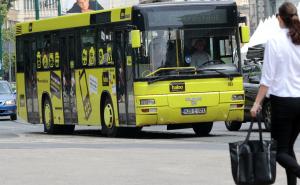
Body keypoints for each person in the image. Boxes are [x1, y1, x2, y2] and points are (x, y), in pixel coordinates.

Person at [250, 2, 300, 185]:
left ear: (279, 18)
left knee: (278, 152)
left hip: (283, 102)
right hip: (299, 101)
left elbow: (267, 78)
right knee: (288, 149)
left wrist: (256, 103)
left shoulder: (274, 41)